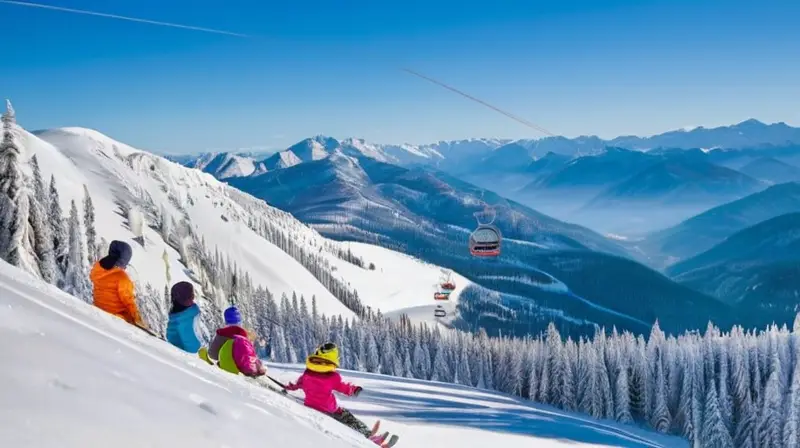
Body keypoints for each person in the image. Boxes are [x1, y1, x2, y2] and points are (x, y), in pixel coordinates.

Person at [285, 343, 380, 443]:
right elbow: (343, 387)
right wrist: (353, 389)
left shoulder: (307, 373)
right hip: (330, 409)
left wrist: (289, 387)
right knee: (348, 418)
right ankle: (368, 435)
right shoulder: (332, 377)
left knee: (344, 417)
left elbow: (298, 384)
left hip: (310, 405)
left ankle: (369, 435)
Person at [198, 306, 266, 377]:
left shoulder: (222, 334)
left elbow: (212, 355)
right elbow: (251, 355)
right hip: (244, 370)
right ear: (240, 320)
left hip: (227, 369)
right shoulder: (245, 336)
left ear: (226, 320)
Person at [90, 240, 142, 327]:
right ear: (123, 259)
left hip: (98, 309)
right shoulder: (122, 278)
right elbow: (129, 301)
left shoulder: (97, 269)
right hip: (116, 317)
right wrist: (137, 319)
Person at [165, 281, 209, 353]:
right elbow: (193, 350)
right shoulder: (185, 321)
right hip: (183, 359)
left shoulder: (177, 316)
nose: (193, 296)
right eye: (191, 294)